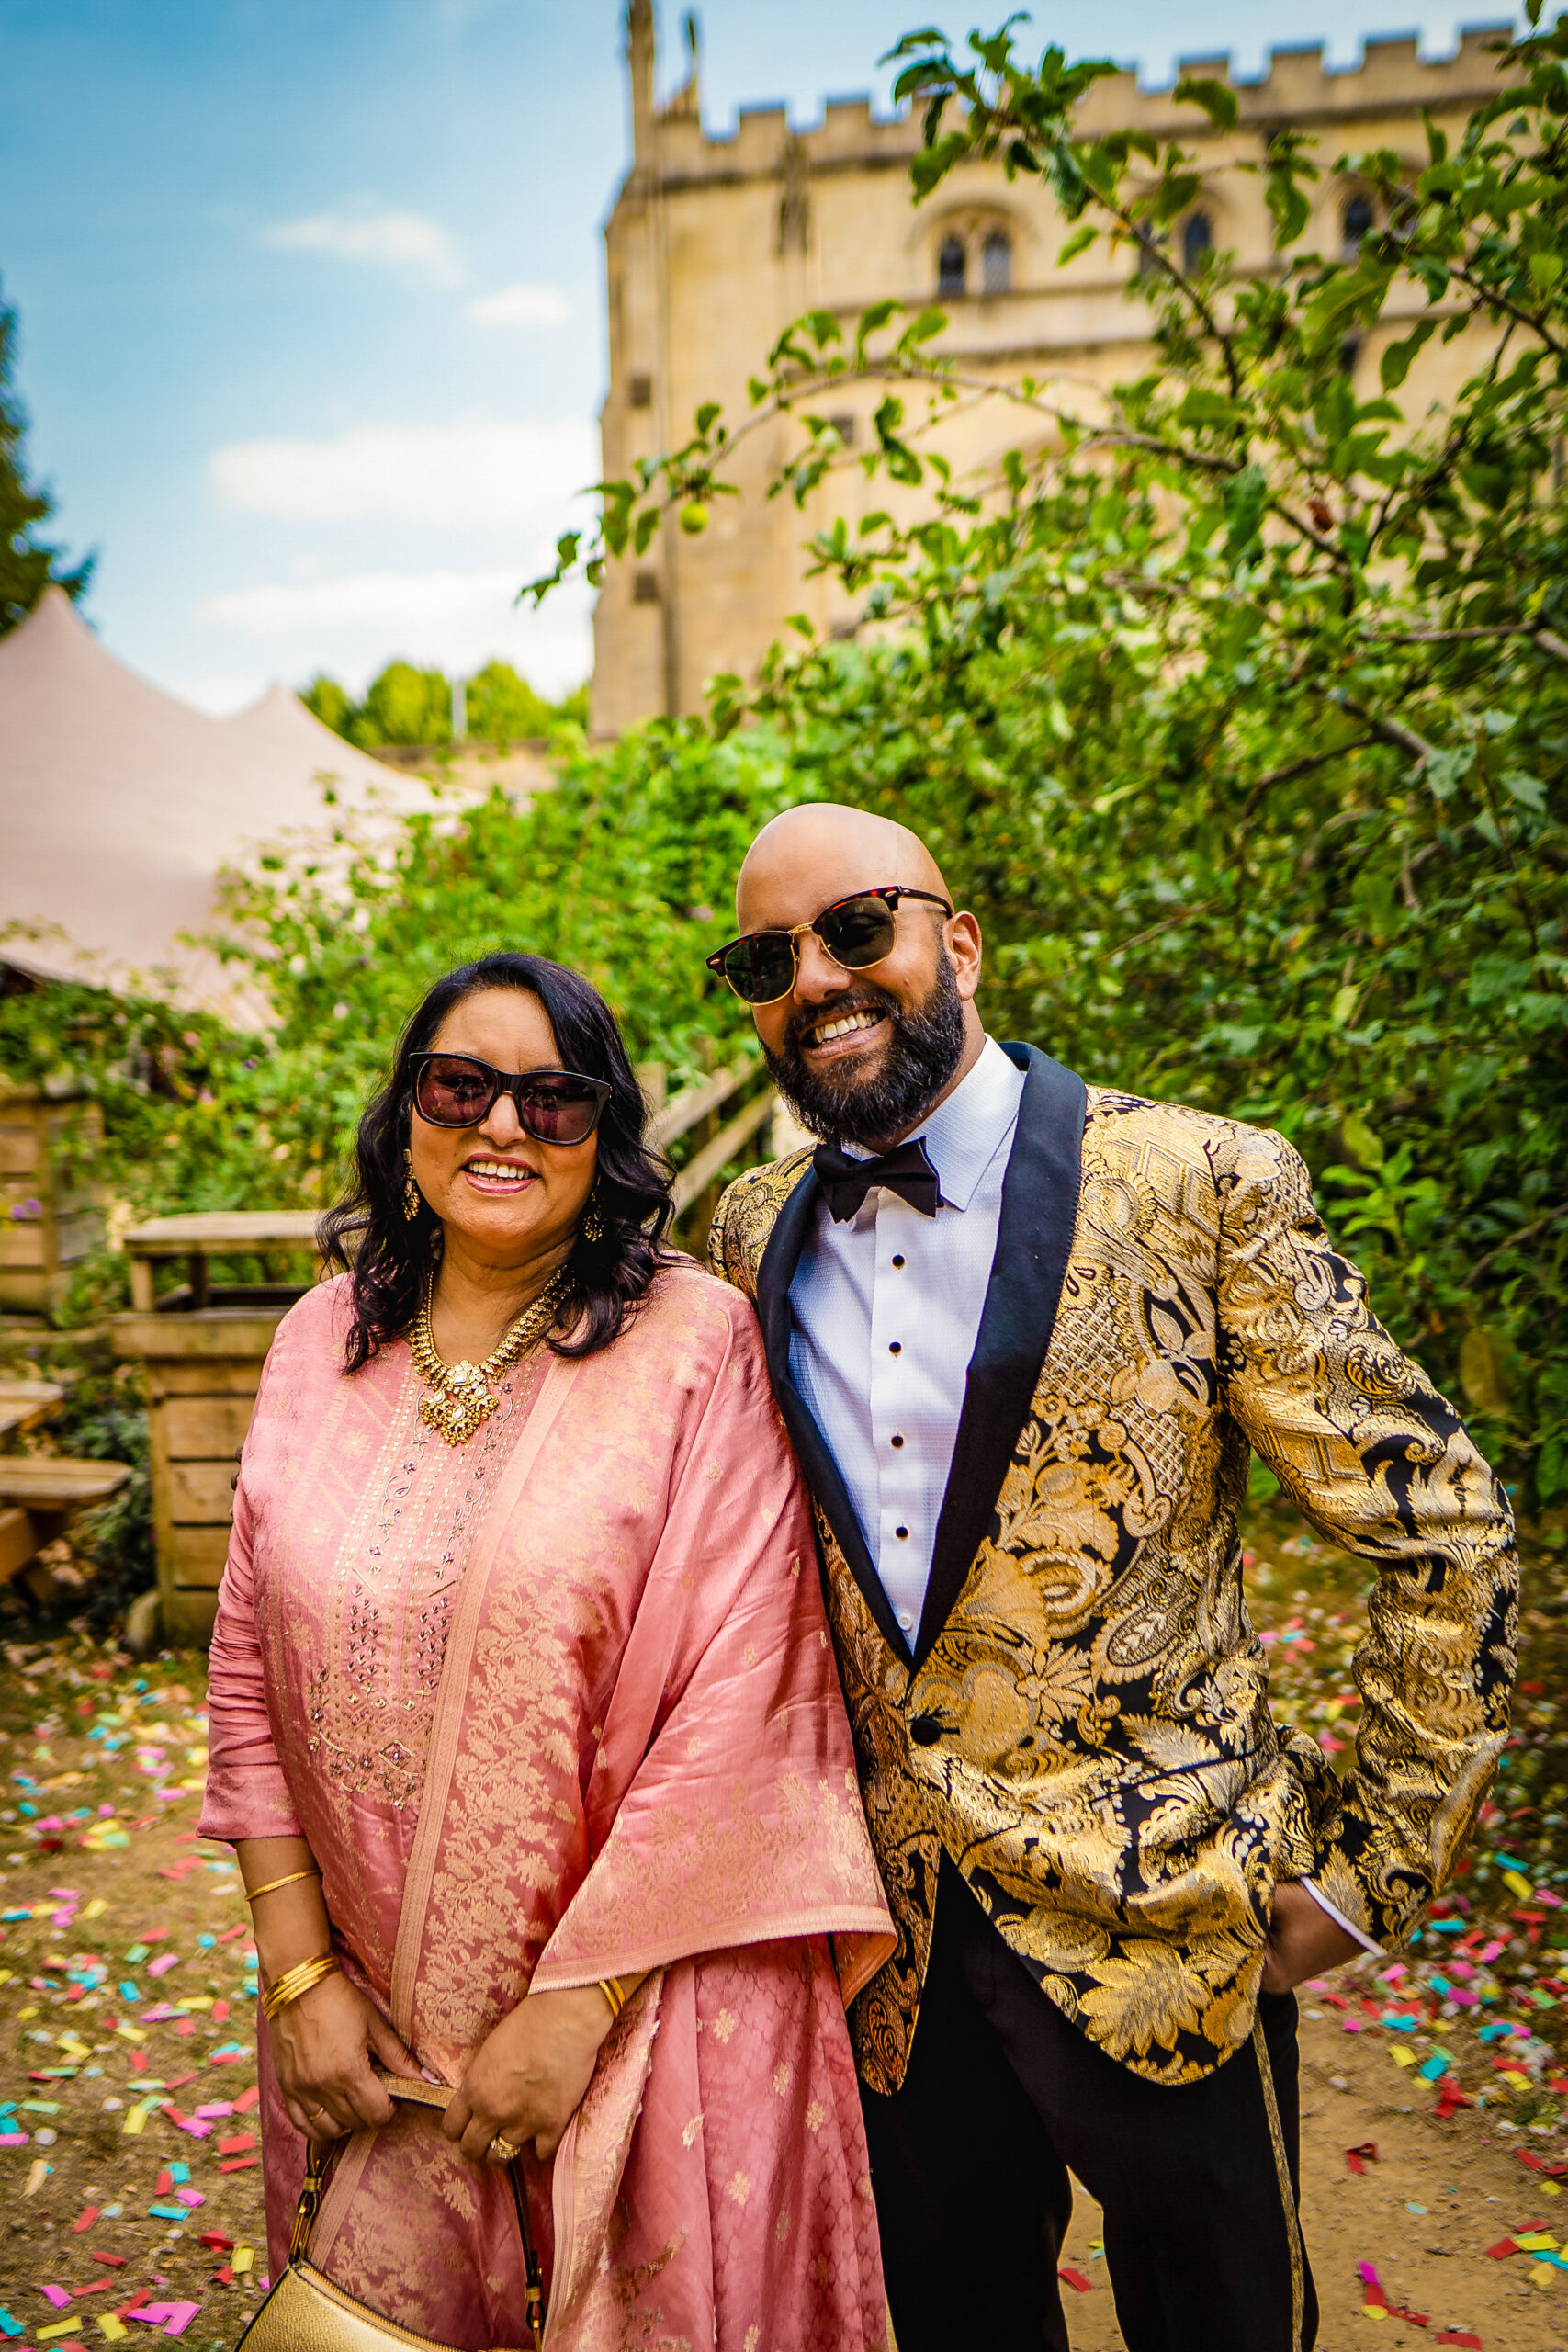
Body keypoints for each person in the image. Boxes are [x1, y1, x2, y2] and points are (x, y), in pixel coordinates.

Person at [705, 805, 1517, 2352]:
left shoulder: (1203, 1180)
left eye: (856, 927)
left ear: (959, 943)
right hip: (893, 1946)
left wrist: (1365, 1878)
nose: (813, 980)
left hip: (1177, 1925)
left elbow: (1444, 1528)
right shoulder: (751, 1229)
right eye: (765, 960)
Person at [199, 949, 893, 2352]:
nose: (503, 1126)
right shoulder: (321, 1340)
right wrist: (299, 1979)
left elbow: (744, 1696)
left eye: (553, 1098)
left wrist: (574, 2014)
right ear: (408, 1113)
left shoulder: (692, 1345)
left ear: (604, 1134)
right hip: (368, 2035)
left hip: (642, 2022)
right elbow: (244, 1678)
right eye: (460, 1087)